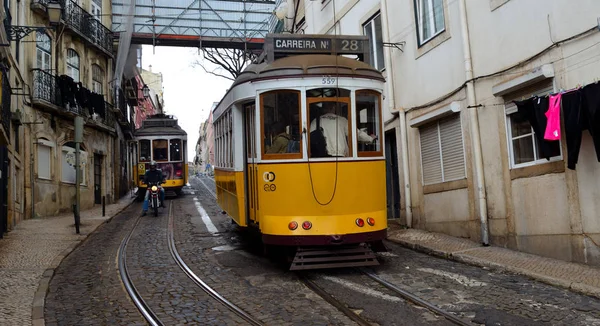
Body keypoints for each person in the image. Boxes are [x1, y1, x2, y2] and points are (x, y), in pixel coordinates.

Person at [309, 102, 376, 157]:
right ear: (333, 108)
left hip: (321, 156)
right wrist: (370, 138)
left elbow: (309, 139)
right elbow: (356, 134)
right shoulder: (342, 120)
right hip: (340, 156)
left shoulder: (315, 121)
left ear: (323, 109)